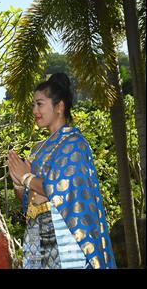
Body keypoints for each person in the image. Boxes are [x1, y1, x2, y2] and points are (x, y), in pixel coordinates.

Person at [8, 72, 116, 269]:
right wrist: (18, 181)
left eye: (39, 104)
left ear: (59, 107)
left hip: (63, 231)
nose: (34, 110)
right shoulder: (37, 149)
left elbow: (60, 189)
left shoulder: (74, 144)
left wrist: (26, 177)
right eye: (33, 104)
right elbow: (28, 200)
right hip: (34, 231)